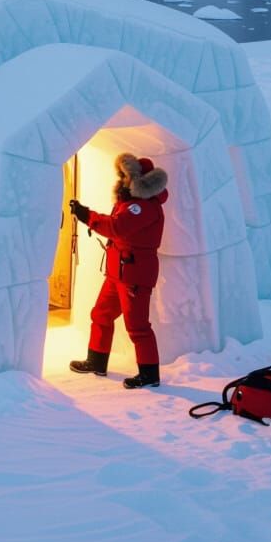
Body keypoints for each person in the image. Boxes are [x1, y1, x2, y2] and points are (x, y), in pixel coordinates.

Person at [68, 153, 168, 389]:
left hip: (134, 275)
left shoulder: (143, 207)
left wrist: (87, 215)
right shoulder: (130, 202)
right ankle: (96, 361)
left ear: (137, 180)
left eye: (125, 176)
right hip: (117, 272)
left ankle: (149, 374)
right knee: (101, 314)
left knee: (137, 326)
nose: (121, 180)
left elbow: (117, 227)